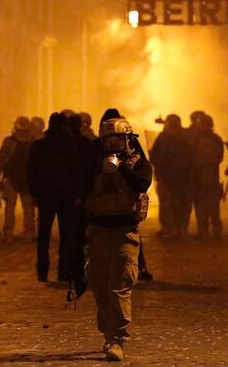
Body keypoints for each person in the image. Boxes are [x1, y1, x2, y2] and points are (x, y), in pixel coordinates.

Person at [85, 113, 152, 362]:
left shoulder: (138, 164)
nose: (113, 145)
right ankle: (107, 333)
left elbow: (142, 184)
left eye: (117, 140)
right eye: (108, 141)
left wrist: (121, 167)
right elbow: (82, 193)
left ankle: (117, 339)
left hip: (125, 231)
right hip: (98, 231)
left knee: (121, 285)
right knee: (100, 285)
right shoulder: (93, 164)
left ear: (128, 139)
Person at [28, 112, 82, 282]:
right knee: (66, 236)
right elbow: (76, 171)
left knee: (43, 235)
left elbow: (31, 171)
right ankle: (63, 271)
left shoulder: (38, 145)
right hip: (66, 196)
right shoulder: (70, 145)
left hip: (45, 195)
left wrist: (34, 192)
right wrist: (77, 193)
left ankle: (42, 271)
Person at [149, 114, 192, 238]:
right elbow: (155, 156)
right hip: (169, 176)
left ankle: (176, 228)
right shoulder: (165, 138)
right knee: (168, 203)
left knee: (175, 203)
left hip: (177, 177)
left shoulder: (179, 139)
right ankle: (169, 227)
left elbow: (187, 159)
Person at [0, 117, 36, 242]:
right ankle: (29, 233)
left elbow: (1, 160)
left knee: (10, 207)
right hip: (28, 179)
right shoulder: (33, 142)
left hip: (11, 178)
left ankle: (8, 234)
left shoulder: (9, 141)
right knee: (28, 208)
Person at [190, 114, 225, 239]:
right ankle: (216, 230)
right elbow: (219, 157)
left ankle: (204, 231)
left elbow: (191, 157)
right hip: (211, 176)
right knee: (213, 206)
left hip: (200, 176)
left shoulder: (196, 139)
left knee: (201, 205)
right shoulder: (216, 139)